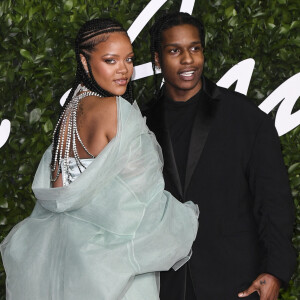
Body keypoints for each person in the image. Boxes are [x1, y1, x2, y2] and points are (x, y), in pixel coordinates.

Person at [0, 18, 199, 300]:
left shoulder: (71, 110)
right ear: (84, 62)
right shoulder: (118, 110)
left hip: (66, 264)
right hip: (115, 274)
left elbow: (58, 191)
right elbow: (144, 204)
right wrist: (186, 218)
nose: (124, 70)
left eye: (129, 59)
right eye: (110, 60)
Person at [144, 12, 296, 300]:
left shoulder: (246, 118)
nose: (188, 59)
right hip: (163, 285)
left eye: (195, 48)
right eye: (175, 50)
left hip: (236, 283)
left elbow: (274, 203)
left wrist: (274, 272)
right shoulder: (142, 122)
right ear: (157, 59)